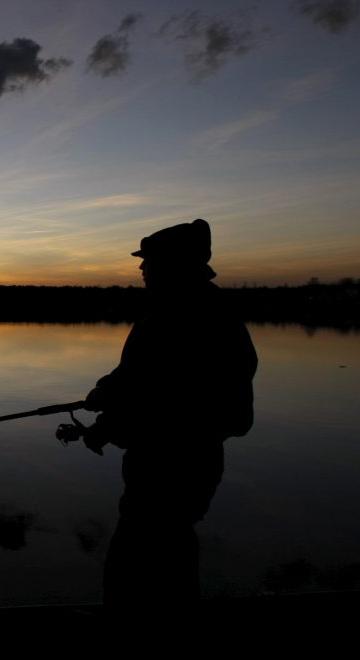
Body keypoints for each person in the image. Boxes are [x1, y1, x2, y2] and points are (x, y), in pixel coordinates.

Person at [82, 218, 257, 609]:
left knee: (140, 566)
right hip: (173, 463)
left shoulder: (188, 317)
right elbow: (138, 380)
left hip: (174, 467)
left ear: (174, 264)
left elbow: (166, 399)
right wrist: (105, 395)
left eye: (149, 261)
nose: (141, 269)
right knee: (164, 557)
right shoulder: (176, 312)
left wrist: (107, 424)